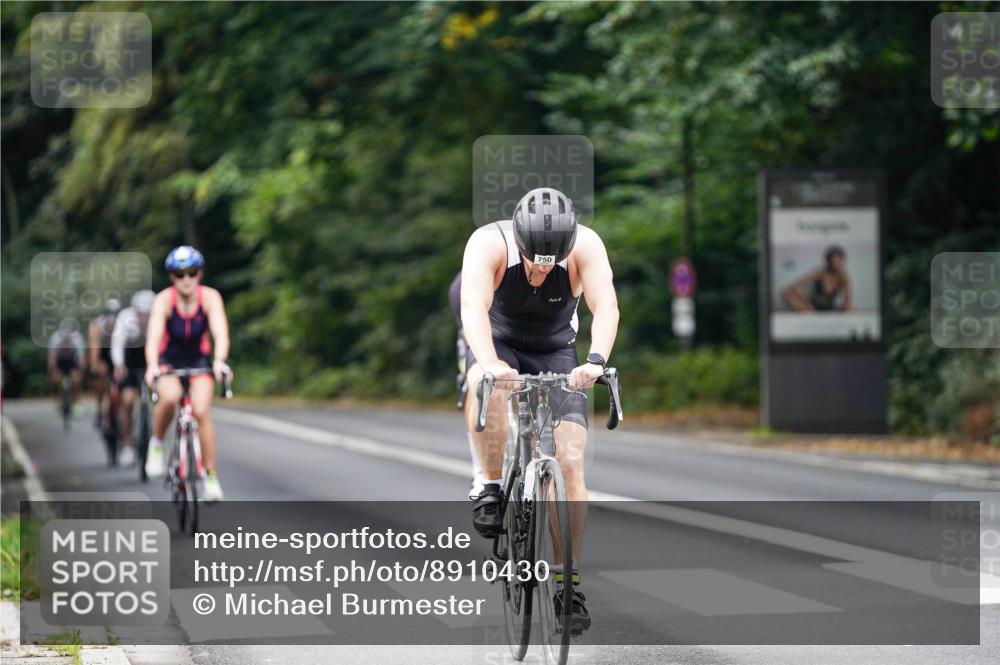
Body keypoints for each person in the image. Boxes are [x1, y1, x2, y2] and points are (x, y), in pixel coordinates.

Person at [461, 187, 619, 634]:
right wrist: (490, 362)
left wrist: (596, 361)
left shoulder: (586, 245)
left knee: (570, 461)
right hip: (501, 341)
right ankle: (489, 483)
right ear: (519, 240)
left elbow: (604, 304)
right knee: (483, 384)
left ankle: (568, 584)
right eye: (534, 259)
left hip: (556, 350)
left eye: (552, 261)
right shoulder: (489, 243)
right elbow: (472, 306)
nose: (540, 269)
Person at [143, 246, 232, 503]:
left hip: (199, 360)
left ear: (199, 274)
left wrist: (220, 361)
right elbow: (154, 338)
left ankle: (211, 477)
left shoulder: (210, 297)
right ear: (172, 276)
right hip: (169, 360)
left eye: (192, 273)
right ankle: (157, 443)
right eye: (179, 274)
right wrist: (152, 366)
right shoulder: (164, 300)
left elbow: (220, 333)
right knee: (169, 398)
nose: (186, 279)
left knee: (202, 411)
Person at [448, 271, 484, 500]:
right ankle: (480, 470)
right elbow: (470, 332)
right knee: (475, 381)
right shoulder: (465, 283)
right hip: (474, 327)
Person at [111, 289, 156, 467]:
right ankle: (128, 443)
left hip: (150, 362)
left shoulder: (160, 317)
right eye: (141, 314)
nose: (144, 318)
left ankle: (153, 438)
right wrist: (119, 364)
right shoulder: (125, 318)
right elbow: (117, 344)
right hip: (130, 362)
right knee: (128, 401)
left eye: (148, 314)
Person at [782, 245, 853, 312]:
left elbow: (847, 300)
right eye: (833, 261)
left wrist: (847, 281)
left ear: (842, 261)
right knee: (787, 293)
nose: (836, 264)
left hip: (829, 308)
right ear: (829, 261)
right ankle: (810, 313)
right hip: (812, 308)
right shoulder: (820, 272)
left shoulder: (843, 277)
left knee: (849, 309)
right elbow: (795, 286)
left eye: (839, 261)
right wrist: (804, 302)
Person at [88, 299, 122, 428]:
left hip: (118, 351)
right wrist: (95, 365)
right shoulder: (97, 325)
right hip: (103, 352)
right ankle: (100, 410)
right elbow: (94, 348)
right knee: (100, 378)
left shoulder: (124, 322)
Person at [47, 320, 87, 413]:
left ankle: (76, 403)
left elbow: (81, 358)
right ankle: (57, 400)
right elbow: (52, 357)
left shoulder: (78, 338)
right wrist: (52, 370)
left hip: (72, 361)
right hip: (60, 361)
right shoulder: (55, 338)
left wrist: (81, 372)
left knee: (76, 380)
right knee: (55, 379)